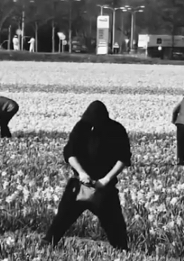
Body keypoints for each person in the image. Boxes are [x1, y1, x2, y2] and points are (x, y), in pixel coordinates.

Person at [44, 100, 132, 251]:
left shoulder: (116, 130)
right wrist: (82, 173)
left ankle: (121, 250)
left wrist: (106, 179)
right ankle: (48, 244)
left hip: (104, 187)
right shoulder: (82, 127)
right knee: (63, 218)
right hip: (80, 184)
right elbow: (70, 153)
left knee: (114, 224)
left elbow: (123, 158)